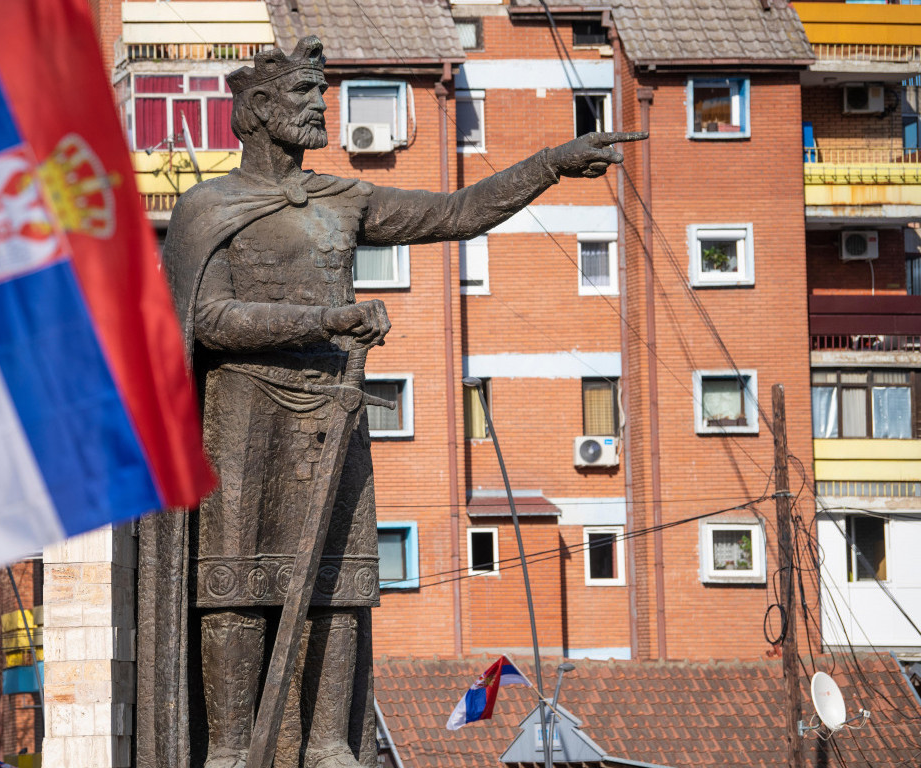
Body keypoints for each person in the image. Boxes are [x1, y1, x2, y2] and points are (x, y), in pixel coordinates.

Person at [137, 36, 643, 768]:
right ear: (258, 109)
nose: (321, 108)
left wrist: (550, 166)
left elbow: (458, 213)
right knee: (236, 583)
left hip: (333, 415)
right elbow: (207, 321)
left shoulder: (347, 200)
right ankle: (229, 748)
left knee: (340, 586)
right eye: (305, 96)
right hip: (241, 418)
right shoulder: (208, 207)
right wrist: (323, 320)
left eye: (322, 94)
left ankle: (328, 744)